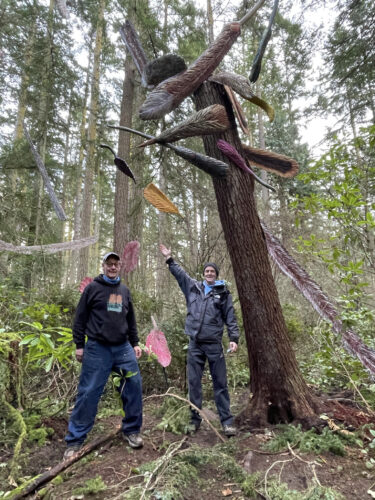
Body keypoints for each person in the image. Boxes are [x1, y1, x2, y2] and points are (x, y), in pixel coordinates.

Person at [64, 252, 143, 459]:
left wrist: (135, 343)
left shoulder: (124, 290)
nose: (113, 267)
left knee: (133, 385)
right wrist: (79, 345)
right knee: (89, 392)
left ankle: (132, 430)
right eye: (109, 264)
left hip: (123, 347)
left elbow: (131, 320)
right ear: (103, 266)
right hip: (97, 348)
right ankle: (75, 440)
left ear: (120, 267)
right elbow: (80, 318)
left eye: (116, 264)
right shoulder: (93, 288)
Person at [159, 244, 240, 436]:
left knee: (220, 383)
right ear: (203, 273)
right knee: (194, 383)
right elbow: (180, 275)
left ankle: (227, 422)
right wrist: (170, 259)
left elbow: (230, 316)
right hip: (195, 344)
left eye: (212, 271)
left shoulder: (223, 293)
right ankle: (194, 420)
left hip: (214, 345)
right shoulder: (193, 288)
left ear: (216, 275)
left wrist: (233, 338)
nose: (209, 273)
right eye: (207, 271)